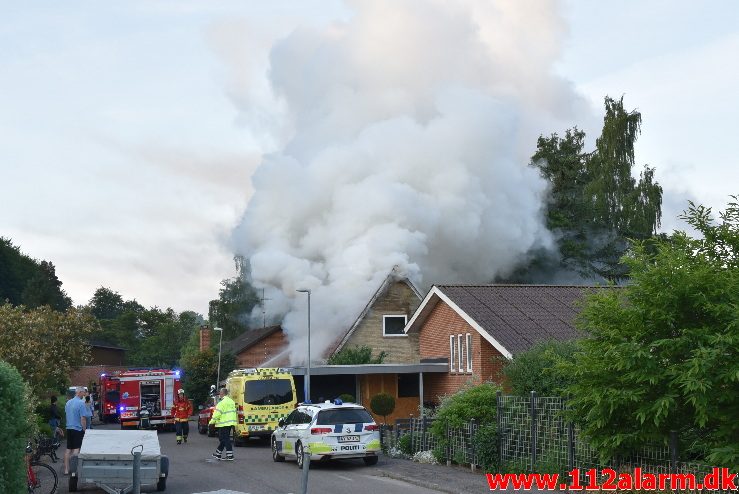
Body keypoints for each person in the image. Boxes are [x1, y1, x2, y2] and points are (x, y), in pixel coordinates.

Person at [64, 387, 88, 475]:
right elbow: (83, 418)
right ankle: (74, 470)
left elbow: (67, 414)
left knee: (68, 449)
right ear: (79, 392)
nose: (84, 394)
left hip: (69, 428)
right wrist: (84, 429)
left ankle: (66, 469)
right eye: (83, 393)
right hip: (77, 428)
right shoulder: (81, 403)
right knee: (76, 449)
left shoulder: (68, 403)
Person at [208, 388, 237, 461]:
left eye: (220, 393)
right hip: (230, 423)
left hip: (223, 423)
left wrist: (211, 422)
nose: (219, 394)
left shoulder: (221, 403)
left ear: (222, 393)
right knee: (224, 439)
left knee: (225, 439)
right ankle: (218, 453)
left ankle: (230, 455)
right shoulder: (231, 401)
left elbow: (217, 414)